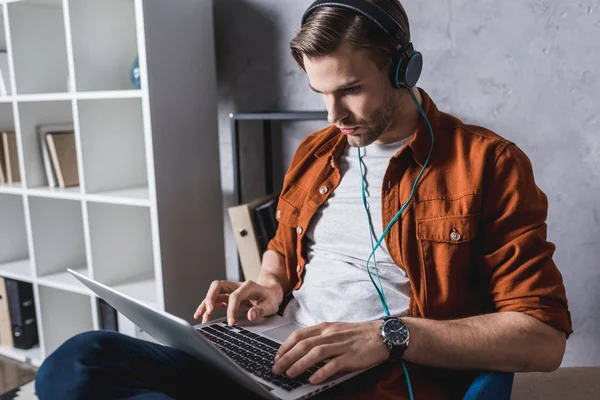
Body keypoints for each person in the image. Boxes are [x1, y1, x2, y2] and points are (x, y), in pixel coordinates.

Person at [34, 0, 572, 399]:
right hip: (276, 358)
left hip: (374, 380)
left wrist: (390, 335)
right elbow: (280, 250)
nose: (333, 117)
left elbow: (542, 340)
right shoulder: (318, 152)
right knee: (77, 362)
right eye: (321, 95)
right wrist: (268, 284)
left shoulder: (488, 164)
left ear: (405, 68)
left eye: (351, 90)